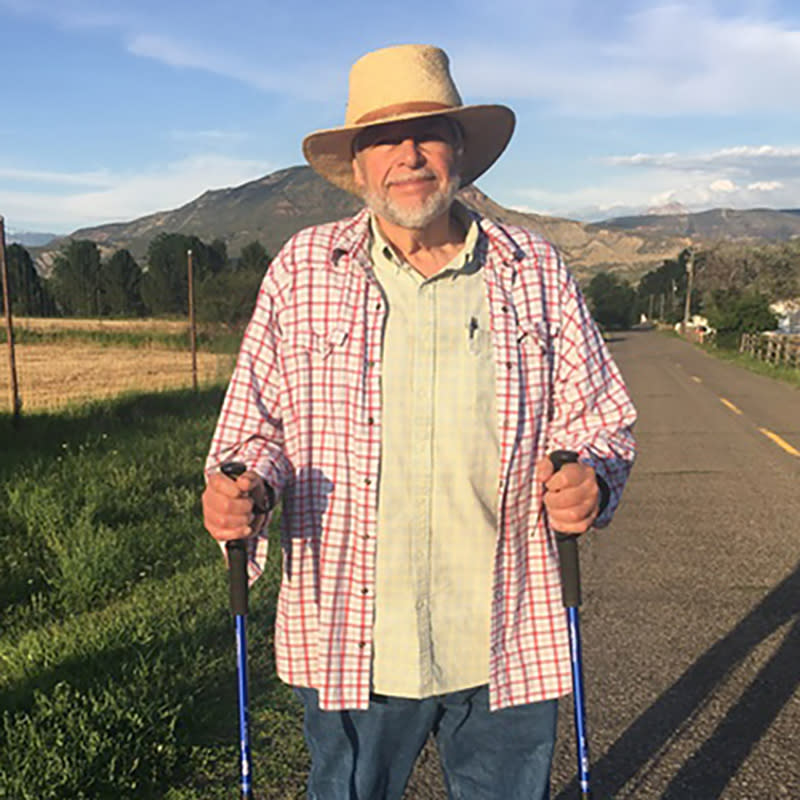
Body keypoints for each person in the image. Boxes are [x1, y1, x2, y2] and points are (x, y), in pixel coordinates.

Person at [202, 43, 636, 800]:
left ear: (459, 148)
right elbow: (255, 431)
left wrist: (591, 478)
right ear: (358, 164)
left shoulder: (535, 267)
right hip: (353, 636)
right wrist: (242, 491)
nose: (408, 153)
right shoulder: (302, 271)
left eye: (429, 130)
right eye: (382, 138)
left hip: (509, 635)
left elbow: (603, 421)